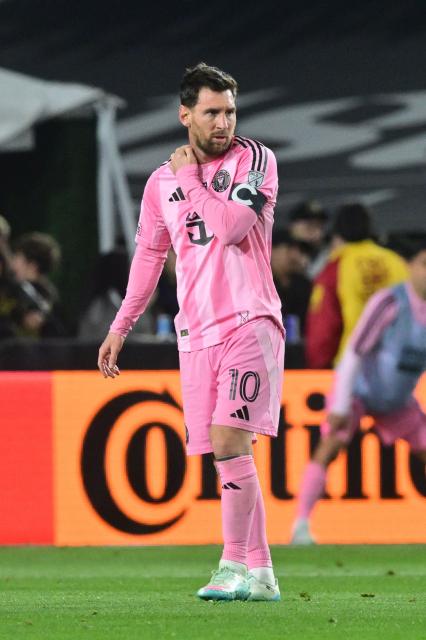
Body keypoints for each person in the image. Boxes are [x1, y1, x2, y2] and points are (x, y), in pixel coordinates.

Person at [98, 62, 284, 602]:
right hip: (195, 333)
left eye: (230, 110)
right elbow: (150, 256)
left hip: (250, 321)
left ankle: (230, 565)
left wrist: (190, 178)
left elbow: (230, 228)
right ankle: (263, 573)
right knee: (227, 454)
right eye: (212, 111)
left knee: (230, 441)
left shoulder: (255, 160)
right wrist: (121, 326)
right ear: (185, 115)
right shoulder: (160, 184)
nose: (224, 122)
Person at [291, 237, 426, 544]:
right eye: (424, 264)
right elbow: (354, 352)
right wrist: (340, 404)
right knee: (330, 446)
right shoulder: (390, 302)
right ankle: (300, 526)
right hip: (358, 392)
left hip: (398, 401)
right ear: (410, 267)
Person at [305, 203, 407, 369]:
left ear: (337, 234)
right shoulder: (396, 262)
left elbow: (324, 327)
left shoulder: (336, 267)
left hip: (354, 366)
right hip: (398, 365)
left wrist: (319, 368)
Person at [11, 231, 64, 337]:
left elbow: (37, 319)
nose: (13, 264)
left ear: (32, 266)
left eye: (17, 258)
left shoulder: (44, 293)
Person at [271, 228, 312, 341]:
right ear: (271, 251)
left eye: (298, 251)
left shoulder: (305, 285)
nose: (295, 256)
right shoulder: (259, 287)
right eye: (289, 249)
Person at [288, 200, 329, 278]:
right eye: (309, 225)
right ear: (293, 226)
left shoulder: (329, 254)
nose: (314, 230)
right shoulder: (275, 252)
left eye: (319, 226)